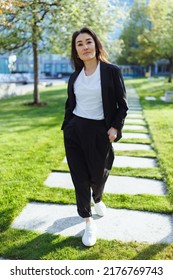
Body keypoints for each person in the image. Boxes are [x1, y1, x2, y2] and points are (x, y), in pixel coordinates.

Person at [61, 27, 128, 247]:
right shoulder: (75, 77)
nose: (84, 47)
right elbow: (71, 104)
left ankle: (97, 198)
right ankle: (88, 222)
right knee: (79, 178)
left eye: (88, 42)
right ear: (76, 51)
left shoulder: (111, 71)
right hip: (75, 132)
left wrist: (115, 128)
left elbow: (122, 105)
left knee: (99, 175)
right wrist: (67, 126)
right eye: (79, 44)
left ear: (96, 44)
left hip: (100, 131)